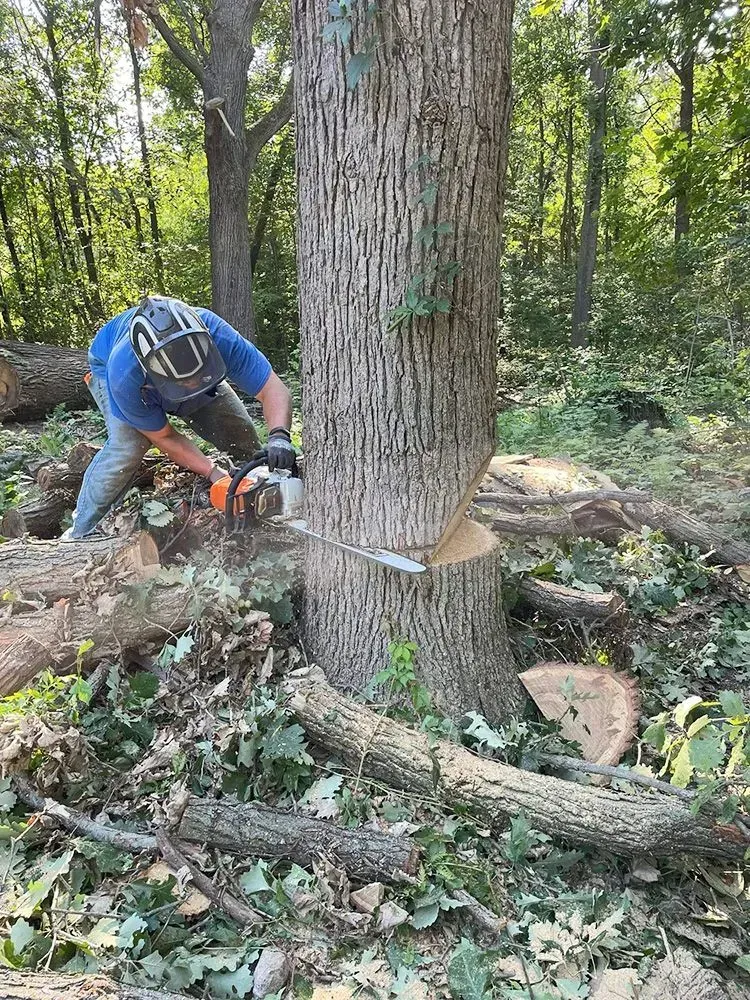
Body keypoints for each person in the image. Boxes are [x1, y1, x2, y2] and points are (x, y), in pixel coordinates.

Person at [63, 295, 294, 539]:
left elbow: (272, 388)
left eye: (197, 376)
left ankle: (257, 492)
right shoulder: (124, 373)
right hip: (107, 365)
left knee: (238, 429)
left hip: (180, 368)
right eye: (185, 382)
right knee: (129, 445)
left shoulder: (217, 335)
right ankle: (81, 532)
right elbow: (165, 437)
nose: (191, 385)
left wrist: (279, 436)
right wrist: (213, 473)